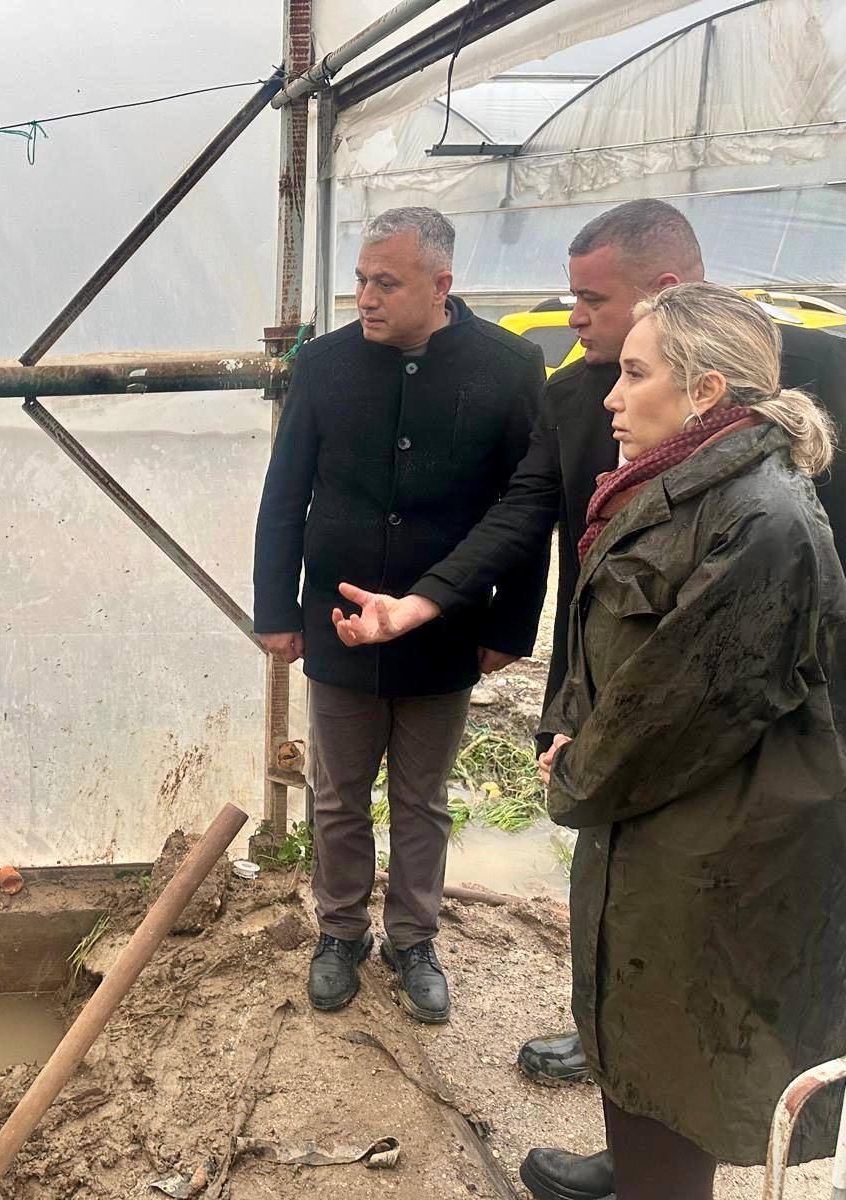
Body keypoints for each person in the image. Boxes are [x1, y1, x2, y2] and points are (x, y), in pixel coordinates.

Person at [325, 199, 846, 1200]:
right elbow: (532, 518)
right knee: (636, 971)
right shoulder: (588, 403)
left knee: (700, 992)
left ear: (678, 326)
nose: (574, 319)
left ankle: (660, 1165)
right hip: (636, 732)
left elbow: (697, 687)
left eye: (593, 302)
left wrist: (585, 766)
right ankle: (636, 1148)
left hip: (742, 748)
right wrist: (425, 609)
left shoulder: (777, 465)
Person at [536, 283, 846, 1199]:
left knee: (677, 1057)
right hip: (650, 820)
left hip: (708, 844)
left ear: (705, 391)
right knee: (639, 1036)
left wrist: (577, 773)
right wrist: (574, 726)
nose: (611, 395)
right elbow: (619, 647)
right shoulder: (681, 487)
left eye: (635, 374)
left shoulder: (761, 518)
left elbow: (680, 707)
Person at [253, 206, 547, 1024]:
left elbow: (527, 508)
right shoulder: (324, 364)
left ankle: (413, 939)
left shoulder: (508, 367)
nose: (365, 298)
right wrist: (276, 608)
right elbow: (285, 494)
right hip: (339, 621)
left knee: (423, 799)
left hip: (444, 627)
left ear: (441, 284)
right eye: (360, 280)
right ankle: (340, 931)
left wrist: (509, 627)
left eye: (386, 282)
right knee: (337, 795)